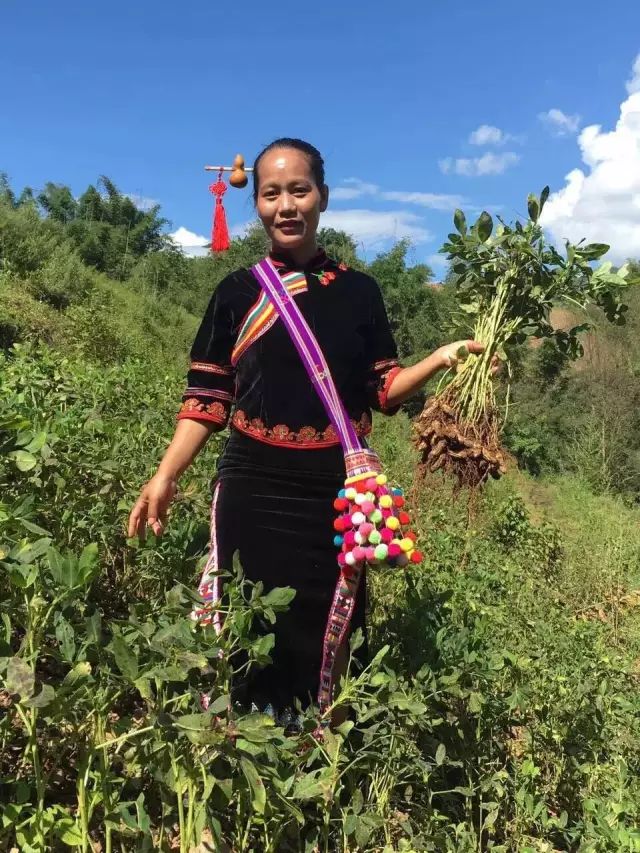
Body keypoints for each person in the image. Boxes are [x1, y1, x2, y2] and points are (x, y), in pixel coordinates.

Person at [128, 137, 490, 722]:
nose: (286, 205)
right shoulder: (237, 294)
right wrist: (166, 476)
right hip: (251, 485)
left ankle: (315, 751)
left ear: (323, 196)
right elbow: (206, 397)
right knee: (242, 615)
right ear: (259, 206)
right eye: (272, 193)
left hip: (331, 492)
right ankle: (231, 745)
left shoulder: (358, 291)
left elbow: (383, 388)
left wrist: (441, 359)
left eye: (300, 190)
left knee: (321, 621)